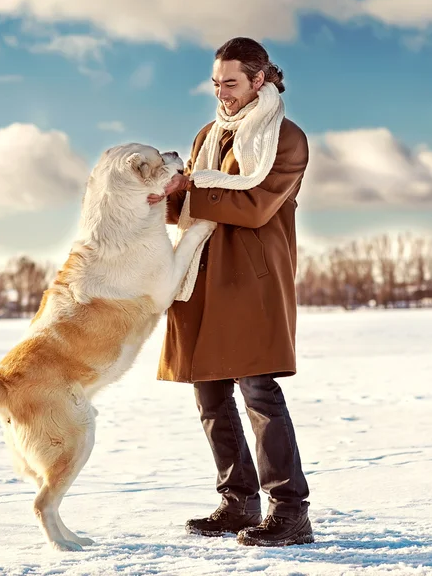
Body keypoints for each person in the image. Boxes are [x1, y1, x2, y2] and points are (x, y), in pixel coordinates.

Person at [148, 37, 313, 547]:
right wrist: (167, 199)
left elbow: (258, 206)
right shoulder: (208, 134)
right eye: (216, 83)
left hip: (251, 280)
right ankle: (237, 501)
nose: (222, 92)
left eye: (232, 83)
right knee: (211, 394)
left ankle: (290, 512)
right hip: (201, 276)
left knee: (259, 392)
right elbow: (192, 209)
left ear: (259, 79)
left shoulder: (286, 138)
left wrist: (191, 189)